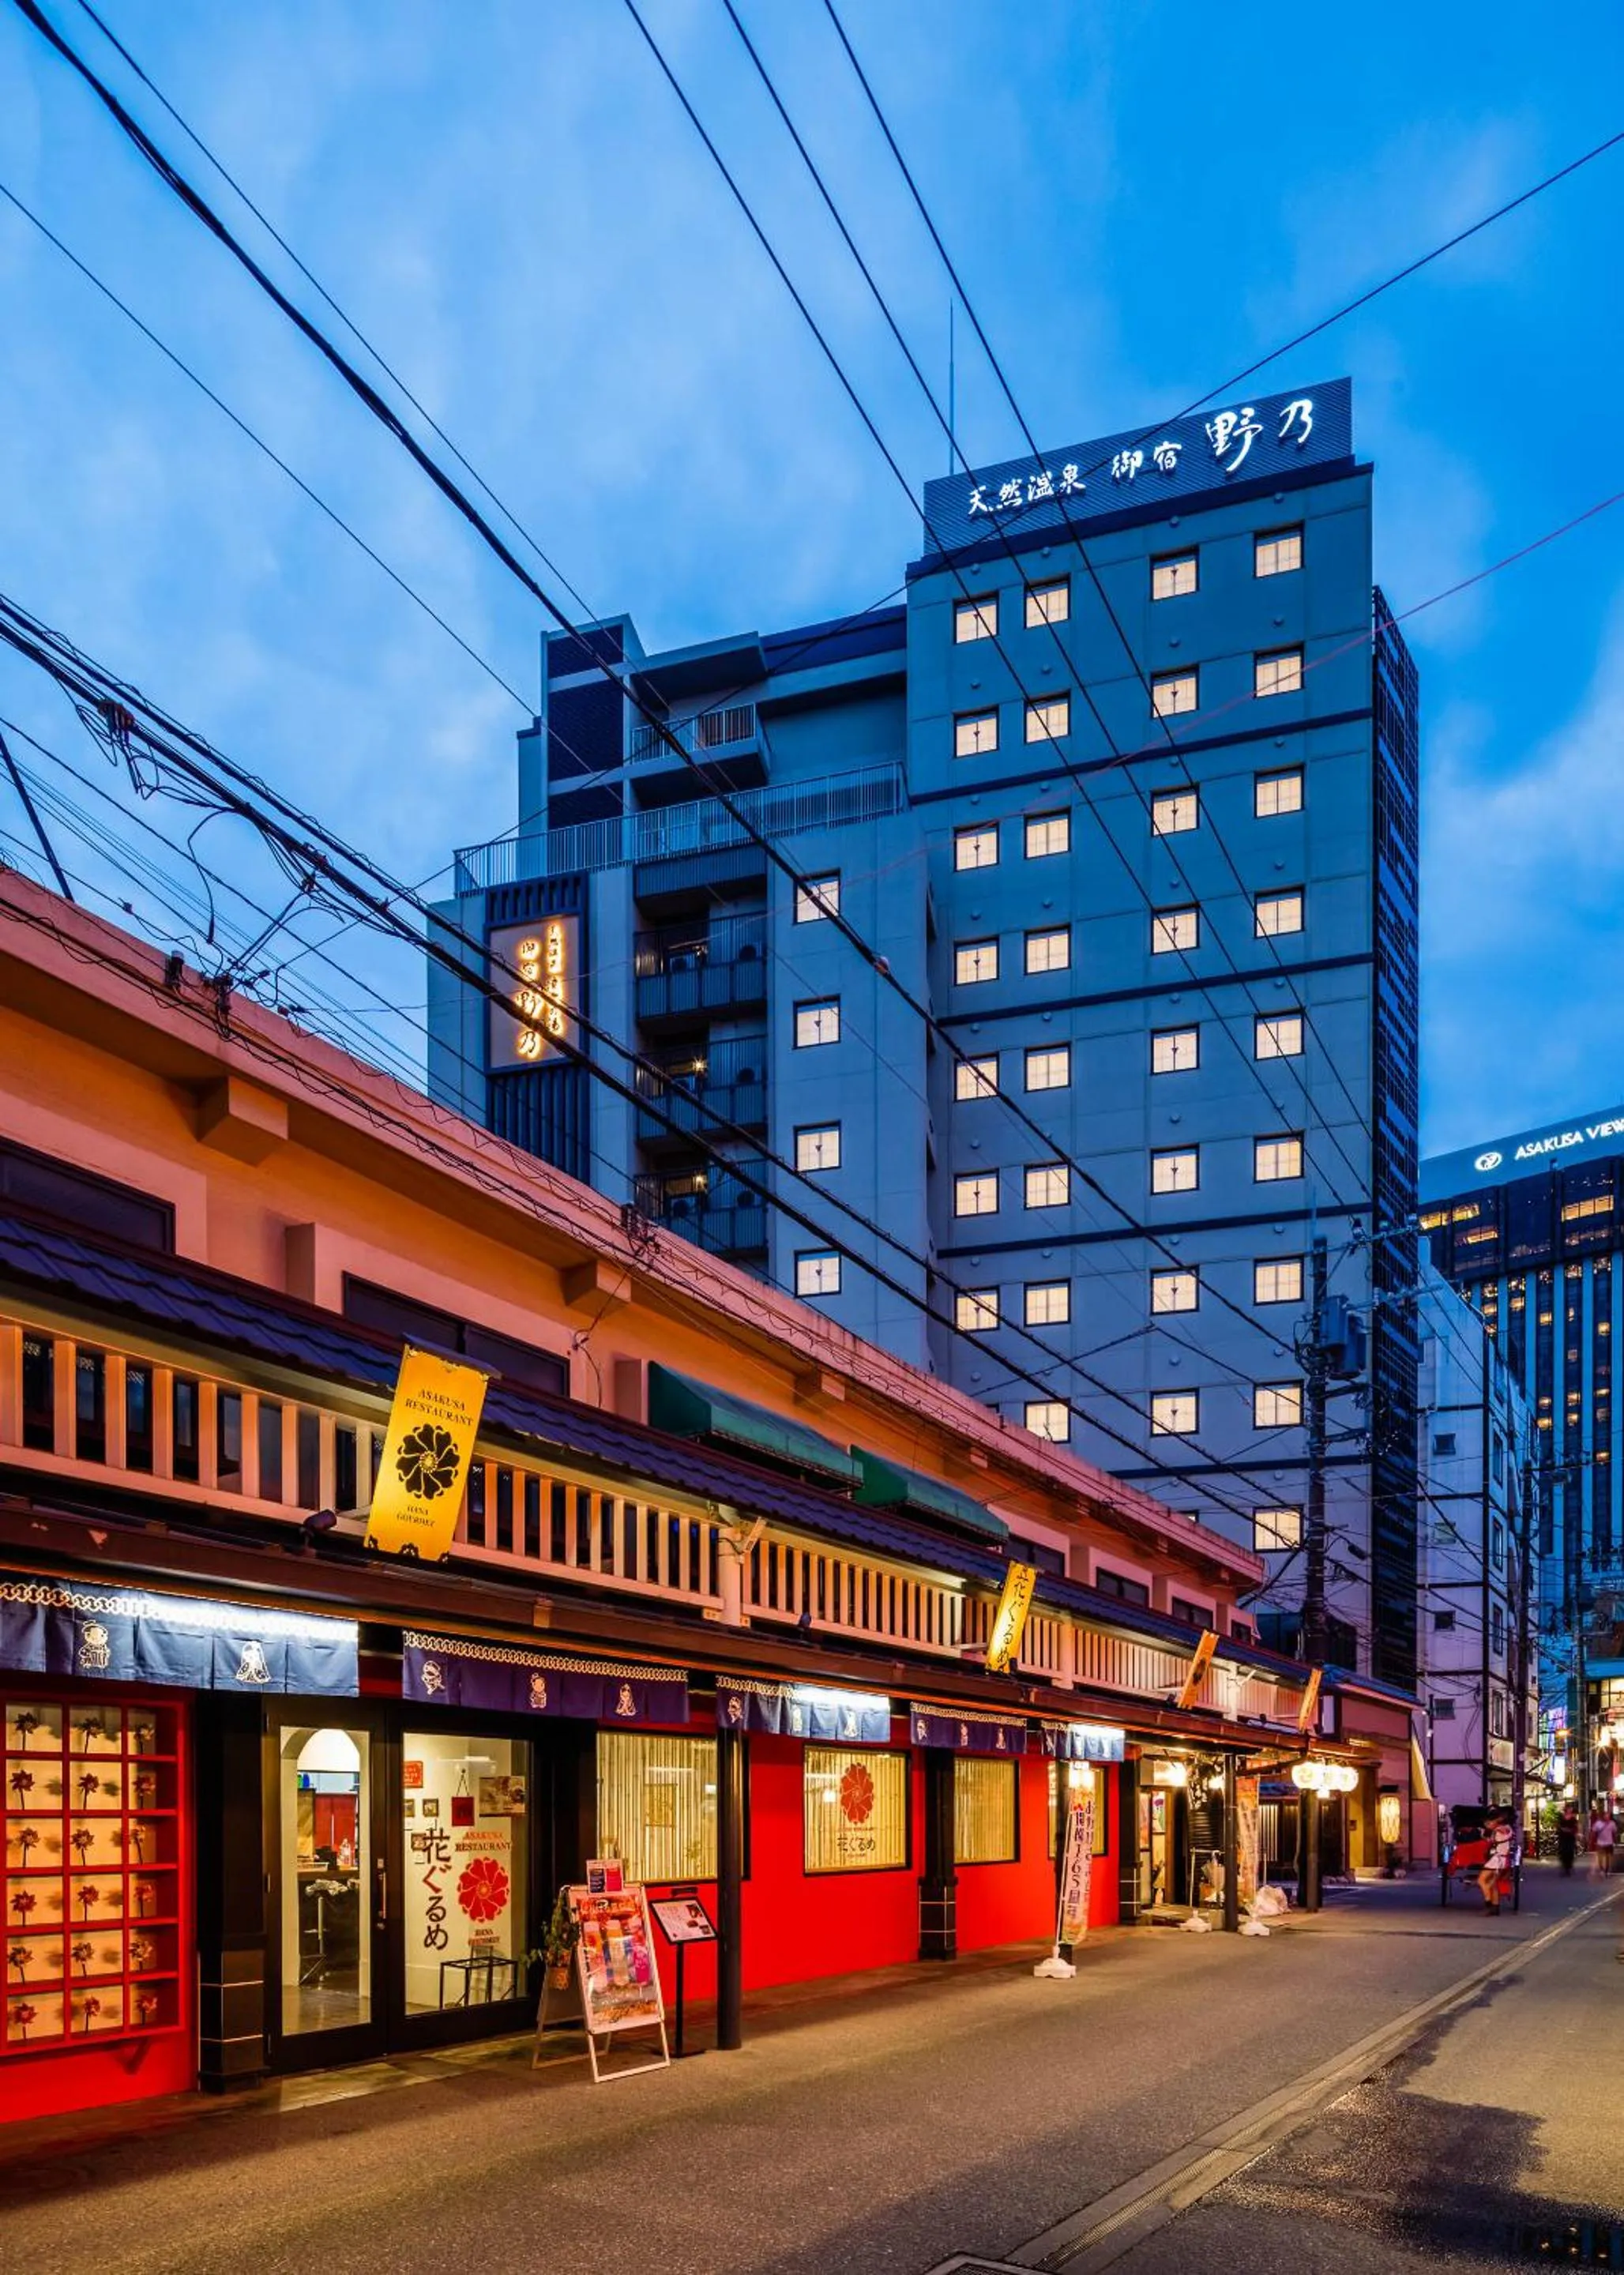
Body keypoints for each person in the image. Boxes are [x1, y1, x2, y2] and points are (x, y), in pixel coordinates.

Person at [1479, 1811, 1513, 1914]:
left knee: (1481, 1880)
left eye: (1489, 1823)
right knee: (1493, 1884)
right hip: (1504, 1860)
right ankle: (1495, 1907)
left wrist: (1484, 1836)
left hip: (1496, 1860)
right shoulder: (1508, 1829)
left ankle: (1488, 1903)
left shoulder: (1498, 1831)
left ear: (1496, 1821)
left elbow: (1492, 1842)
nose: (1488, 1825)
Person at [1557, 1804, 1581, 1875]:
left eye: (1570, 1809)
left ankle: (1568, 1867)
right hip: (1563, 1837)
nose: (1570, 1810)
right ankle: (1565, 1867)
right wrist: (1562, 1829)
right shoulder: (1562, 1818)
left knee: (1570, 1852)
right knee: (1563, 1851)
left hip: (1570, 1837)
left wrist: (1576, 1833)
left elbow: (1576, 1827)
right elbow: (1558, 1826)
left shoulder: (1573, 1819)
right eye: (1569, 1809)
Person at [1593, 1810, 1618, 1877]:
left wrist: (1615, 1841)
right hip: (1600, 1843)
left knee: (1608, 1858)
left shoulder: (1612, 1823)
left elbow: (1614, 1833)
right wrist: (1593, 1842)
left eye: (1608, 1816)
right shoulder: (1598, 1823)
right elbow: (1594, 1833)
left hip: (1609, 1843)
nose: (1607, 1817)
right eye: (1606, 1815)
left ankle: (1606, 1871)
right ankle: (1601, 1869)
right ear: (1603, 1816)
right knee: (1600, 1858)